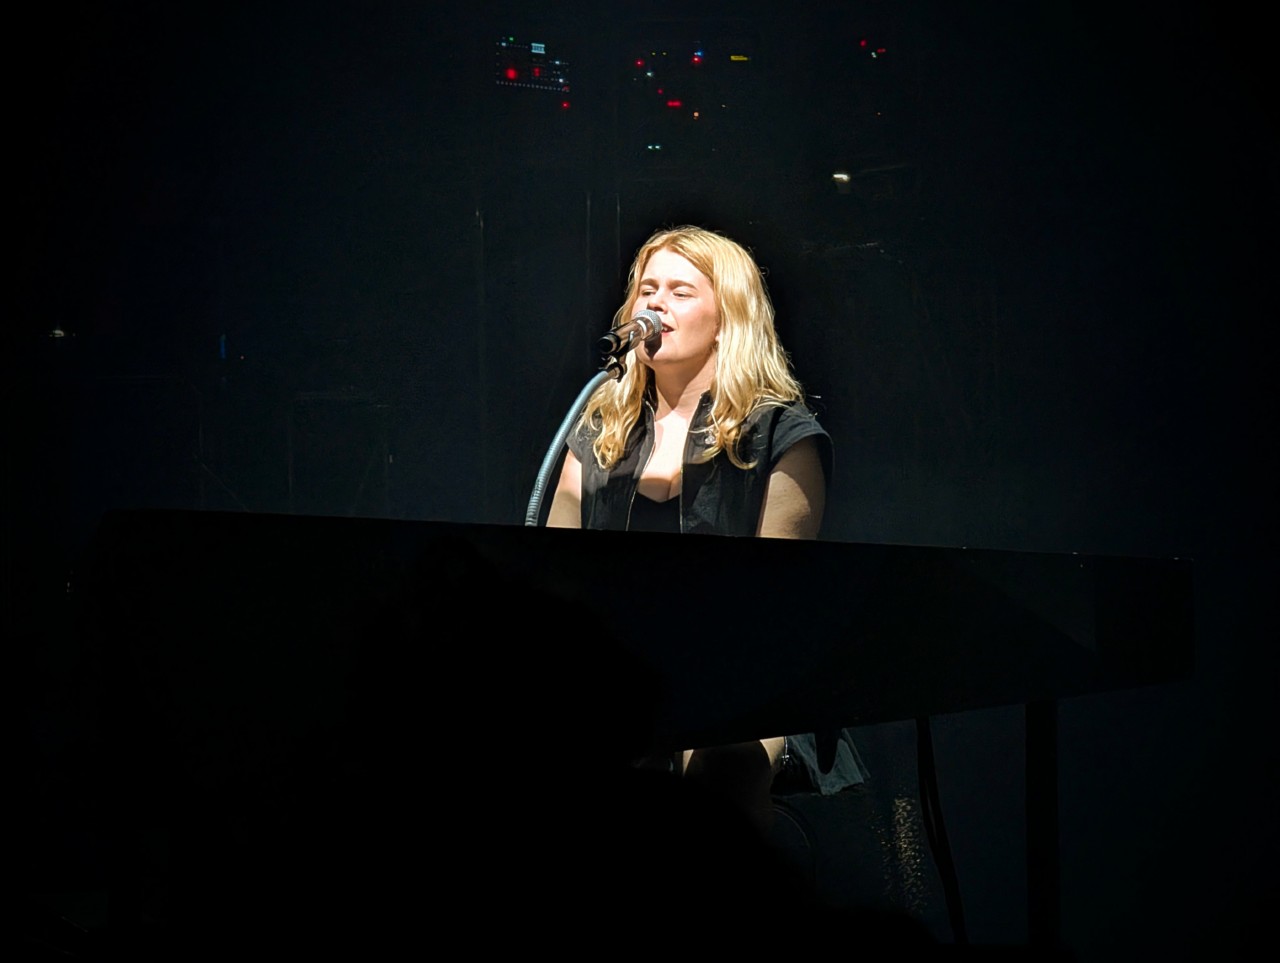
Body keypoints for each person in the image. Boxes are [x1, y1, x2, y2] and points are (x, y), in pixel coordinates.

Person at [547, 225, 865, 833]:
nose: (655, 304)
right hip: (616, 674)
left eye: (680, 291)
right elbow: (554, 572)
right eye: (647, 290)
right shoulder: (598, 430)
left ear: (727, 318)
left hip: (740, 676)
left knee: (724, 766)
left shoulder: (779, 432)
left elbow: (778, 601)